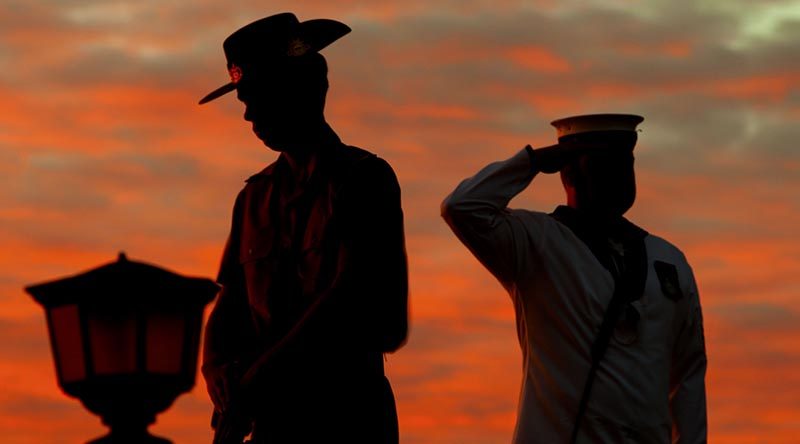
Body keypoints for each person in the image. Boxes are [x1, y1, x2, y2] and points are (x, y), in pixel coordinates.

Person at [198, 13, 408, 443]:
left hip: (347, 419)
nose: (248, 114)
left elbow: (352, 301)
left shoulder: (364, 179)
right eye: (243, 99)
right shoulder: (252, 199)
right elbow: (230, 303)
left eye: (258, 95)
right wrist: (216, 368)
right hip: (271, 424)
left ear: (306, 88)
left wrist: (256, 382)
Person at [441, 114, 707, 443]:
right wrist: (533, 161)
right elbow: (462, 207)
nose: (620, 175)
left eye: (626, 162)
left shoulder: (668, 260)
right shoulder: (537, 243)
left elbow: (689, 377)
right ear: (569, 171)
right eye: (604, 163)